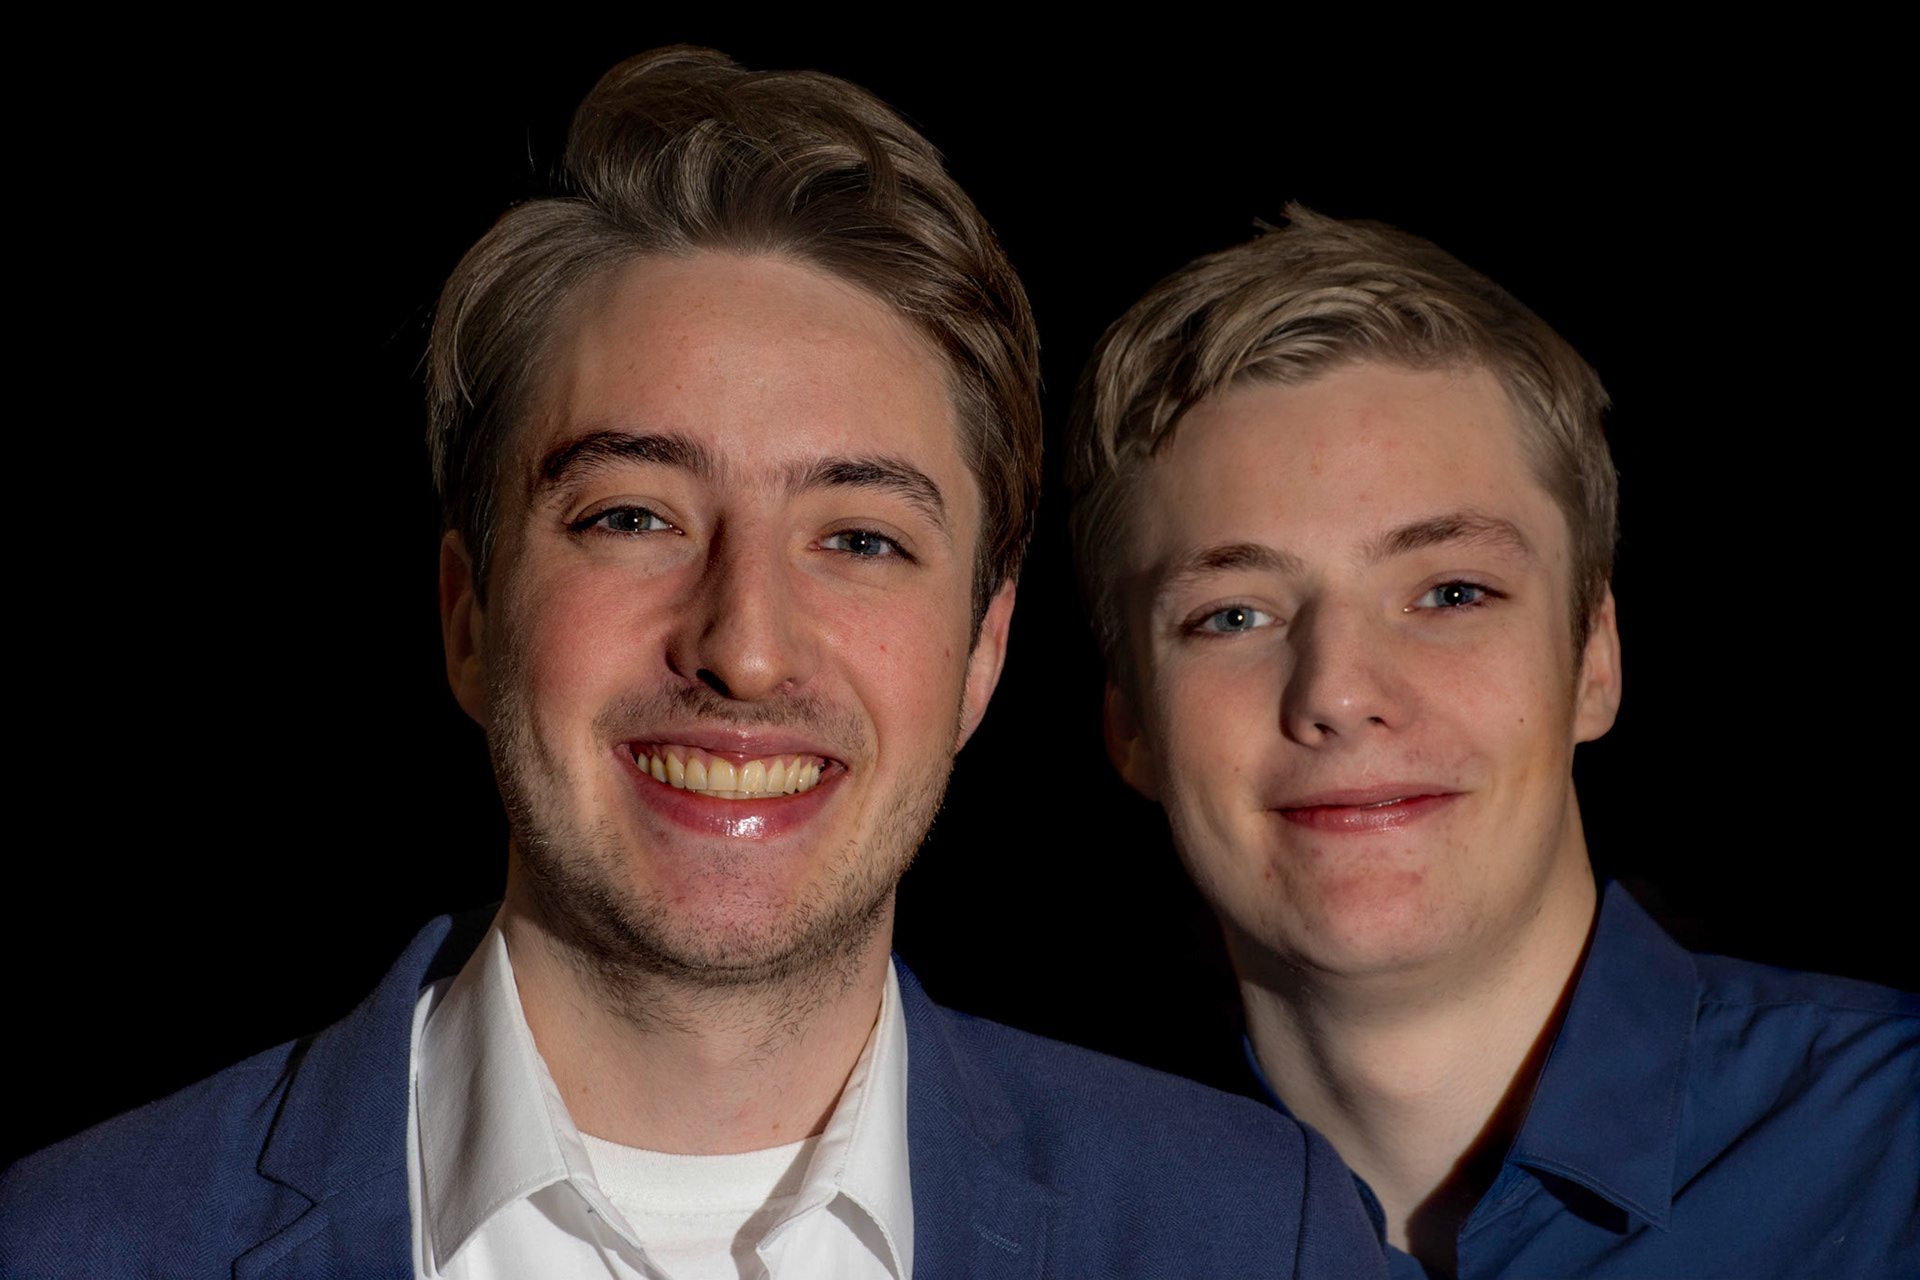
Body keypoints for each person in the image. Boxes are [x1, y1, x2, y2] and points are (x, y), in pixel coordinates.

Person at [0, 54, 1386, 1280]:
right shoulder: (66, 1242)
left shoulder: (1260, 1236)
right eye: (632, 517)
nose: (745, 646)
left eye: (860, 537)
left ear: (982, 654)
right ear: (469, 616)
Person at [1064, 205, 1918, 1279]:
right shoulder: (1039, 1234)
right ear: (1131, 723)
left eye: (1451, 592)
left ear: (1594, 657)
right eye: (1233, 614)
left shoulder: (1898, 1150)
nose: (1339, 693)